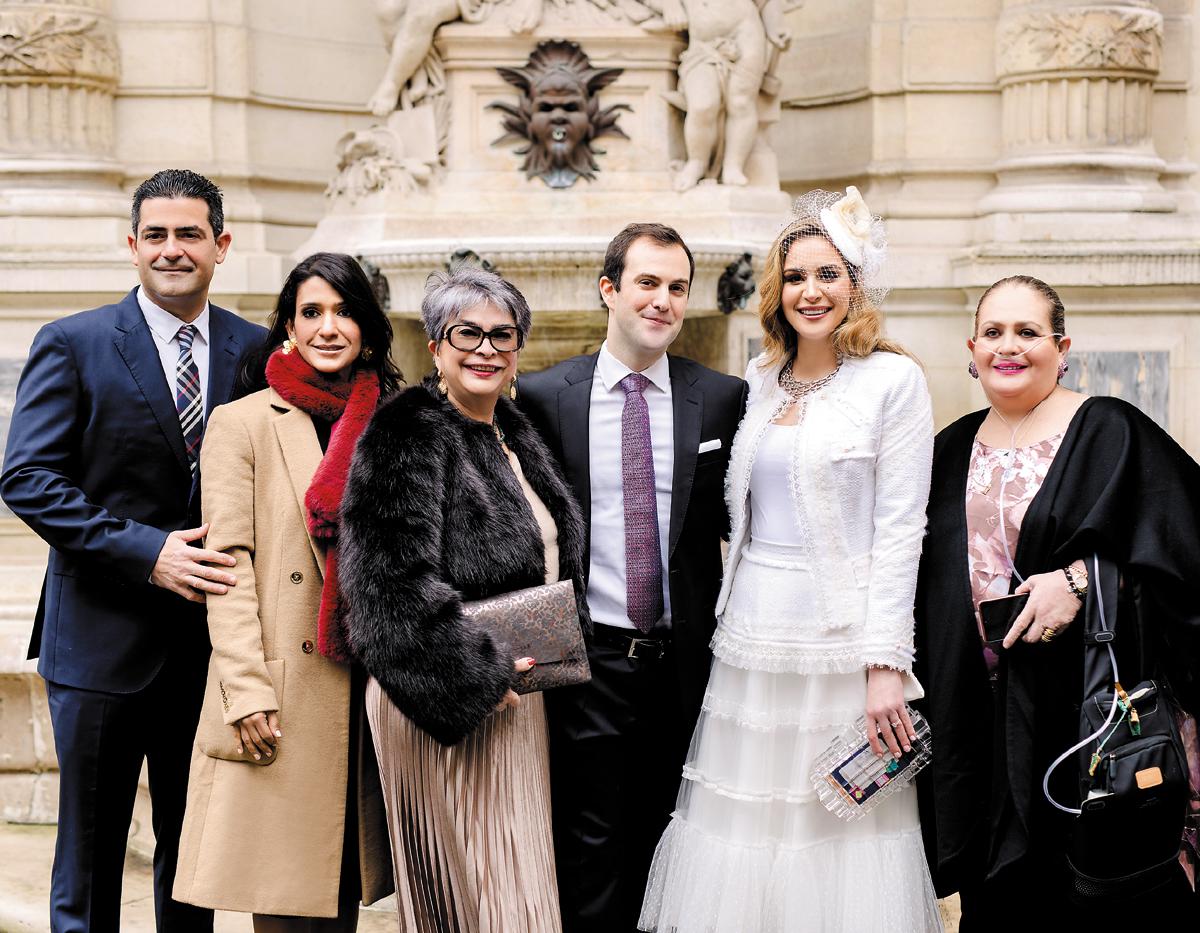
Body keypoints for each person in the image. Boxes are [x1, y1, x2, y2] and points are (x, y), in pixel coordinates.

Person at [637, 189, 943, 932]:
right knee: (740, 826)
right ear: (779, 290)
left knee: (835, 829)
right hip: (749, 638)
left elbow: (903, 531)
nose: (812, 292)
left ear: (856, 284)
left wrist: (885, 668)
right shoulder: (760, 379)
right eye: (798, 276)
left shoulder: (893, 382)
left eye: (829, 274)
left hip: (841, 646)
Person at [0, 169, 266, 932]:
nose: (172, 249)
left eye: (189, 234)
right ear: (131, 245)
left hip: (210, 651)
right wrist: (149, 551)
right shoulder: (74, 343)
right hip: (97, 646)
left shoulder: (254, 352)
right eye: (156, 234)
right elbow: (27, 479)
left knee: (196, 866)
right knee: (87, 868)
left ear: (221, 244)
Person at [913, 275, 1200, 928]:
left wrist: (1083, 582)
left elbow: (1182, 550)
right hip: (978, 725)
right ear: (972, 346)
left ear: (1062, 346)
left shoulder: (1108, 430)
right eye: (993, 332)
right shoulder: (949, 447)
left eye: (1027, 332)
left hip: (1085, 713)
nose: (1008, 346)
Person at [336, 265, 588, 933]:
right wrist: (470, 676)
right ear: (436, 344)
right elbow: (382, 585)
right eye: (466, 332)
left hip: (517, 698)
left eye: (502, 335)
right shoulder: (408, 429)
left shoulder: (515, 431)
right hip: (447, 696)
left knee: (517, 886)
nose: (485, 348)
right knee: (486, 898)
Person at [519, 223, 748, 932]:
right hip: (590, 660)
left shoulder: (721, 397)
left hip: (686, 664)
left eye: (678, 287)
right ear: (609, 288)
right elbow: (529, 532)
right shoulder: (545, 395)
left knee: (676, 844)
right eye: (648, 282)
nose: (664, 300)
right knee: (590, 850)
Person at [171, 253, 401, 929]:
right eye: (312, 312)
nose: (330, 327)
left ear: (367, 325)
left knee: (342, 899)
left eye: (345, 310)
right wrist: (245, 689)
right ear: (289, 328)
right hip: (284, 692)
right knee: (285, 902)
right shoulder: (241, 422)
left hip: (374, 691)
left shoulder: (399, 419)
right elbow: (228, 566)